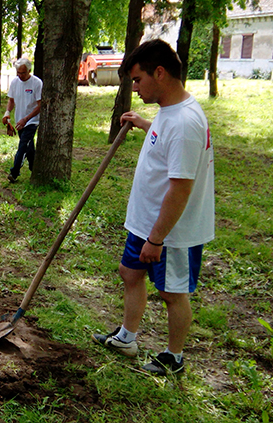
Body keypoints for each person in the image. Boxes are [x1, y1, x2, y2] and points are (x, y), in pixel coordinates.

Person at [93, 39, 215, 376]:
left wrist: (157, 238)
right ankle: (127, 338)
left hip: (170, 232)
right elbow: (166, 139)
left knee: (171, 292)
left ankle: (173, 357)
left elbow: (181, 187)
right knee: (130, 274)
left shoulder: (186, 123)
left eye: (137, 79)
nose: (135, 87)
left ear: (159, 73)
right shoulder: (169, 112)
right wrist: (145, 124)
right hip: (145, 222)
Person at [2, 57, 42, 183]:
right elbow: (11, 100)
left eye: (23, 73)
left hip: (32, 120)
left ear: (29, 70)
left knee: (23, 145)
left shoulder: (37, 83)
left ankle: (14, 173)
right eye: (18, 72)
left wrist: (26, 119)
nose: (20, 75)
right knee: (30, 148)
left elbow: (40, 105)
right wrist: (7, 113)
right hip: (19, 120)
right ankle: (34, 168)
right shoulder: (15, 82)